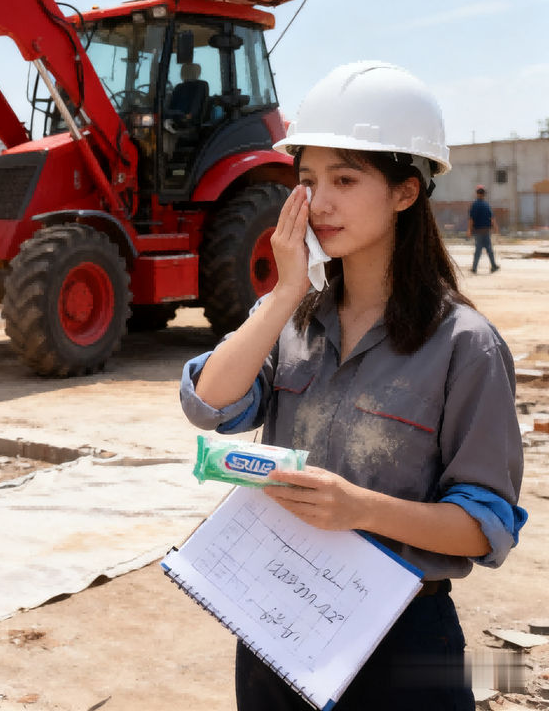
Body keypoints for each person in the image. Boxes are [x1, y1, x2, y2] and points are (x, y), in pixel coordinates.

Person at [180, 62, 525, 711]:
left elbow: (485, 526)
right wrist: (285, 291)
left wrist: (360, 509)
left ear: (405, 192)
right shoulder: (291, 318)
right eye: (308, 180)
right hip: (275, 618)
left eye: (345, 179)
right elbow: (210, 405)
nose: (320, 203)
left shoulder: (464, 344)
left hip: (400, 637)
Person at [468, 184, 499, 274]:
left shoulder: (474, 205)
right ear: (484, 194)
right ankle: (493, 265)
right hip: (486, 230)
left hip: (478, 231)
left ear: (477, 193)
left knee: (478, 249)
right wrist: (496, 229)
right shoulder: (486, 205)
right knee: (489, 249)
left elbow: (471, 219)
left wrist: (469, 230)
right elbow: (492, 218)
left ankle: (474, 268)